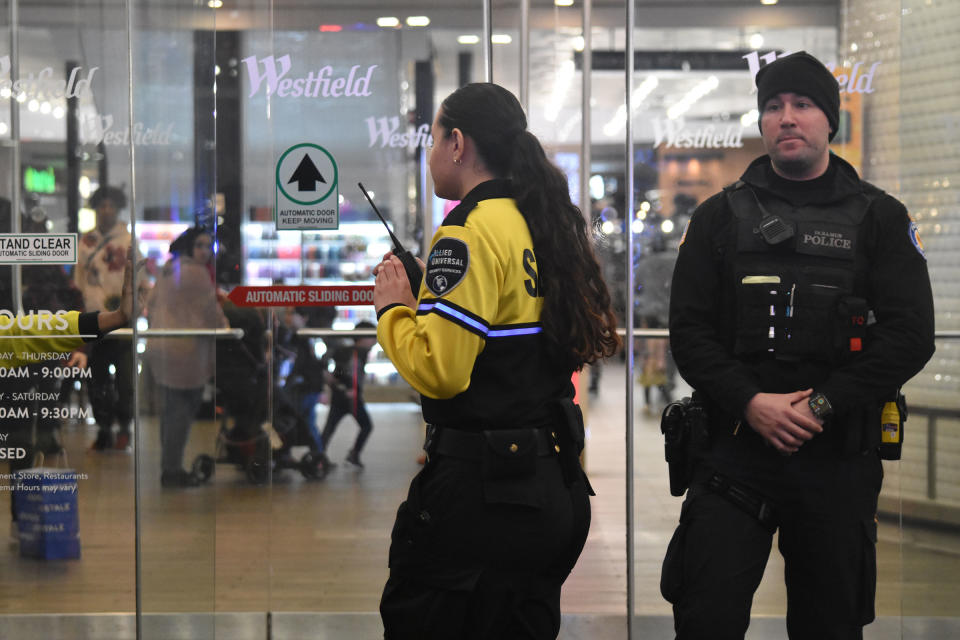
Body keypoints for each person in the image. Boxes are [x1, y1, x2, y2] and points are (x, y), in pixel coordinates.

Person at [661, 51, 936, 639]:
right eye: (774, 107)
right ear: (761, 122)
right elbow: (689, 331)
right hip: (733, 454)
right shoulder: (717, 218)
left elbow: (911, 336)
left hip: (836, 460)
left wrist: (821, 404)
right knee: (705, 617)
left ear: (828, 120)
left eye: (803, 104)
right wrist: (750, 403)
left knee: (829, 624)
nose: (787, 117)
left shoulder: (880, 219)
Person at [372, 83, 620, 639]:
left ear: (458, 143)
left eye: (433, 140)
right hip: (551, 486)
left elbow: (443, 371)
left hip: (483, 500)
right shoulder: (542, 220)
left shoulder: (466, 231)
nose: (431, 153)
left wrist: (393, 312)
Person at [144, 227, 227, 489]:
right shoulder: (198, 274)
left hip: (160, 347)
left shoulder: (169, 269)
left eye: (208, 246)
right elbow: (210, 312)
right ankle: (172, 470)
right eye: (200, 245)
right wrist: (227, 326)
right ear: (189, 246)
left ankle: (169, 466)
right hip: (186, 352)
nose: (205, 251)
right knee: (181, 411)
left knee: (170, 412)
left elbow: (152, 304)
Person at [74, 185, 136, 451]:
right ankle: (103, 428)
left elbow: (139, 275)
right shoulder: (85, 242)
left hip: (123, 317)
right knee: (96, 377)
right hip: (93, 317)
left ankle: (124, 426)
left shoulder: (129, 240)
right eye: (102, 205)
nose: (107, 210)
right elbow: (77, 280)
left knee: (125, 378)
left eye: (111, 205)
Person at [316, 319, 377, 470]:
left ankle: (319, 458)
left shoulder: (355, 351)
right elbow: (343, 370)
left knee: (330, 428)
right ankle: (349, 455)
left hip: (346, 396)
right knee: (365, 426)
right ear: (362, 337)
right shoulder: (353, 352)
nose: (375, 340)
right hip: (348, 397)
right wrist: (342, 386)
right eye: (372, 336)